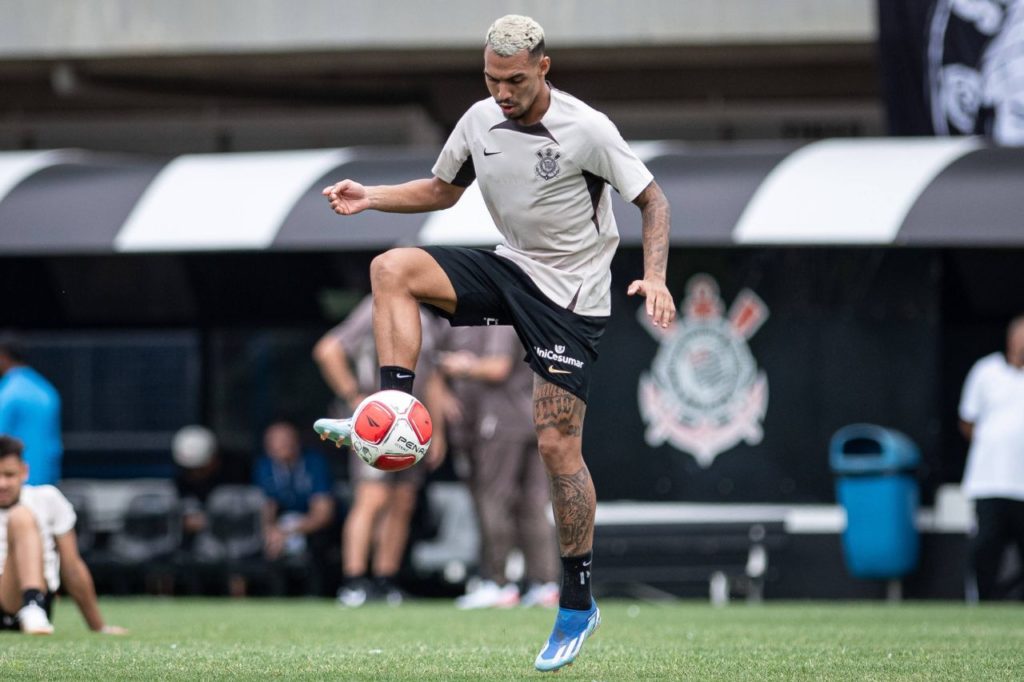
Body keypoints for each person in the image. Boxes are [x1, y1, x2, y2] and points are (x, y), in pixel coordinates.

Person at [313, 14, 673, 671]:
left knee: (556, 447)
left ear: (543, 68)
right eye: (490, 79)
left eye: (513, 80)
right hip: (512, 269)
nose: (501, 91)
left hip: (571, 301)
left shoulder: (586, 129)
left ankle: (576, 602)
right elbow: (443, 193)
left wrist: (654, 277)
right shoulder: (478, 120)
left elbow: (653, 200)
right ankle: (394, 407)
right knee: (392, 268)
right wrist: (370, 197)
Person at [313, 294, 447, 607]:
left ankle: (386, 580)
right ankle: (354, 581)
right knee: (372, 498)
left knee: (403, 501)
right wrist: (356, 399)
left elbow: (434, 377)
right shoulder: (375, 307)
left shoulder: (428, 319)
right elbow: (327, 350)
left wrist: (437, 431)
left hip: (411, 430)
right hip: (377, 429)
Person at [440, 326, 560, 609]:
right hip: (536, 417)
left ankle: (498, 582)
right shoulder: (532, 313)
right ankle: (544, 584)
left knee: (493, 500)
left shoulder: (502, 319)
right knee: (533, 506)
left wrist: (461, 366)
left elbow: (498, 367)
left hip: (501, 423)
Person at [0, 435, 126, 635]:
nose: (2, 484)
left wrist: (99, 627)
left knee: (20, 516)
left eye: (9, 475)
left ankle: (33, 607)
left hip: (31, 604)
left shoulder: (47, 498)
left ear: (24, 472)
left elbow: (72, 566)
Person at [959, 313, 1024, 600]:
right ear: (1010, 338)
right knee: (985, 548)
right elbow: (967, 421)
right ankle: (983, 603)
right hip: (989, 482)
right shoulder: (986, 371)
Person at [253, 420, 335, 563]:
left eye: (286, 440)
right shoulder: (264, 466)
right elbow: (268, 506)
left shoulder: (314, 462)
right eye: (275, 442)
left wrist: (290, 532)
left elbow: (323, 513)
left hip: (311, 528)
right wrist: (270, 530)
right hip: (280, 528)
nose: (282, 446)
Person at [0, 333, 63, 486]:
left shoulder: (8, 393)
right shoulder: (46, 390)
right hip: (46, 481)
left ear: (3, 356)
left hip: (13, 486)